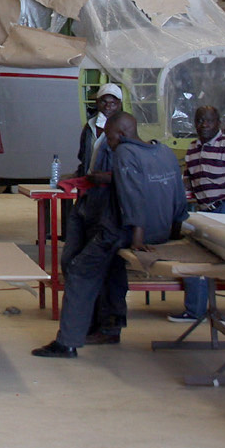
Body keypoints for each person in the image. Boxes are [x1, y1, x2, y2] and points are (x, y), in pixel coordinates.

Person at [33, 112, 188, 359]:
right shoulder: (165, 152)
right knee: (113, 271)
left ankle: (67, 342)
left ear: (122, 134)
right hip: (160, 230)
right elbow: (179, 195)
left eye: (110, 136)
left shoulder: (125, 153)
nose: (108, 142)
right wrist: (175, 232)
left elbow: (132, 195)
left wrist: (137, 238)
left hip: (126, 230)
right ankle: (110, 327)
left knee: (79, 270)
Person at [171, 105, 225, 326]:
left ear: (218, 122)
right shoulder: (193, 149)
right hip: (206, 212)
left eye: (209, 121)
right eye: (200, 121)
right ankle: (195, 310)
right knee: (196, 259)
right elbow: (189, 178)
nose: (204, 125)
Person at [60, 83, 124, 342]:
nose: (107, 106)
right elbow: (83, 159)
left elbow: (130, 170)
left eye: (113, 102)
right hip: (86, 201)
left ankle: (104, 327)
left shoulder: (123, 129)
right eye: (103, 101)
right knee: (70, 261)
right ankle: (83, 323)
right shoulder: (89, 128)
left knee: (105, 269)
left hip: (108, 207)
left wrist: (105, 178)